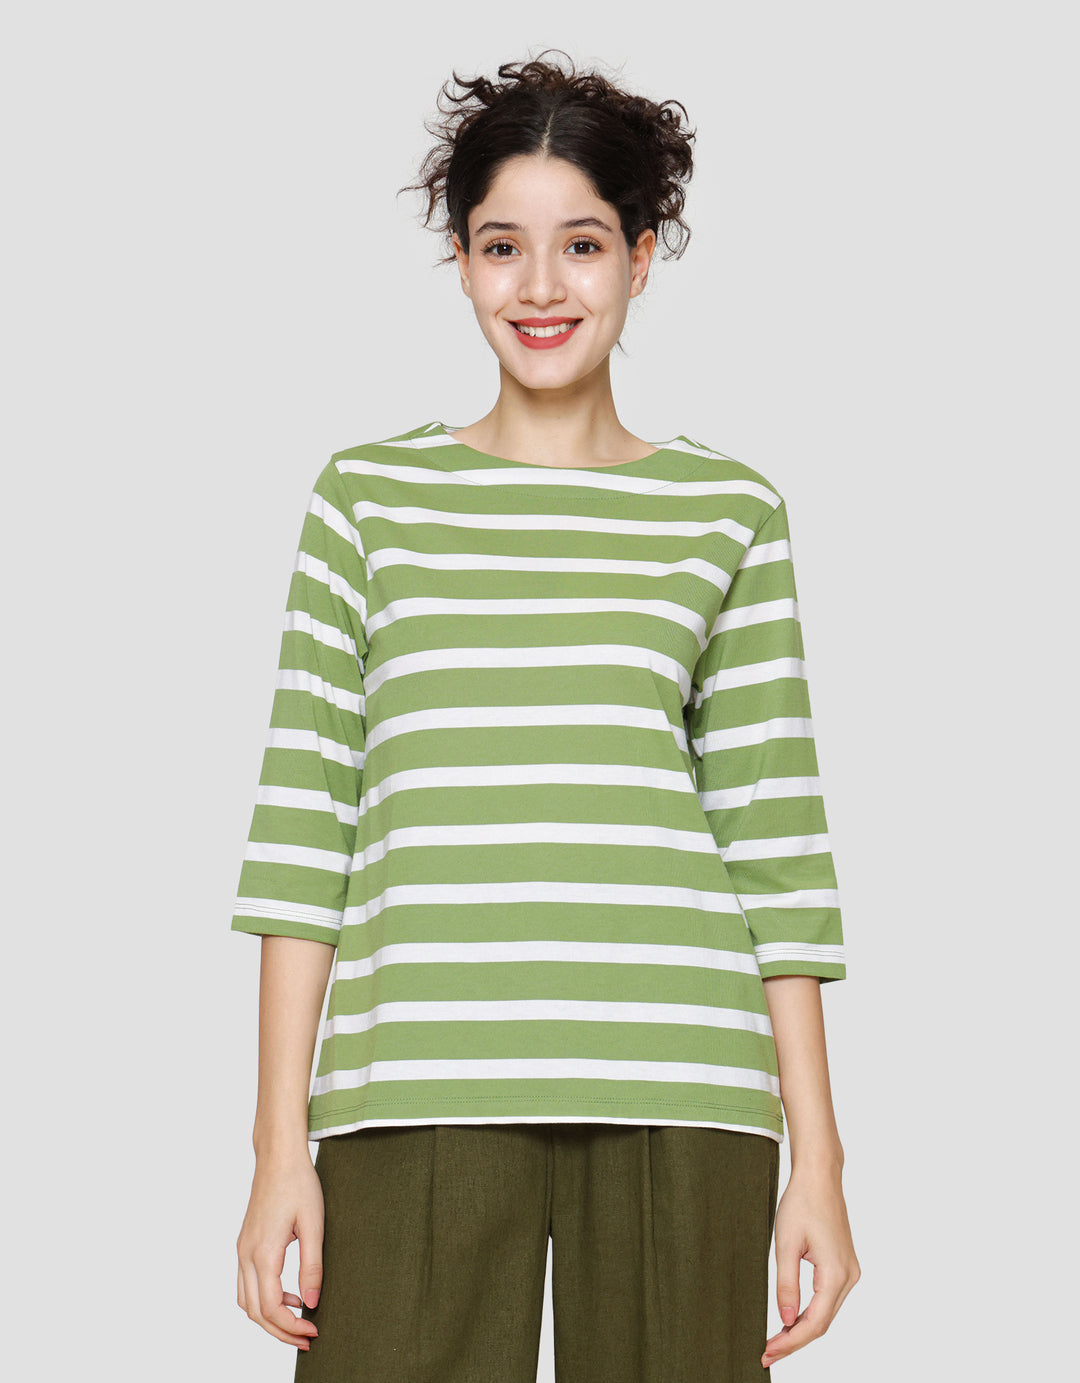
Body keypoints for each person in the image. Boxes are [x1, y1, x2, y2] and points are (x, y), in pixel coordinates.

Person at [232, 48, 859, 1382]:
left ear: (641, 257)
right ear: (461, 261)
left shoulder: (728, 512)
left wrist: (821, 1160)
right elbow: (302, 838)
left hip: (684, 1076)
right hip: (414, 1076)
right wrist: (278, 1146)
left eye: (581, 245)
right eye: (501, 245)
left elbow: (776, 851)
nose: (539, 287)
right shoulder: (367, 502)